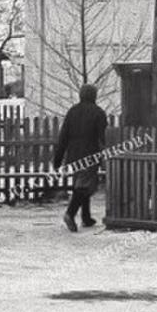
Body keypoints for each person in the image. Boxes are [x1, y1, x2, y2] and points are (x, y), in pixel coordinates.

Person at [52, 84, 107, 232]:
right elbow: (103, 137)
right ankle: (70, 214)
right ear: (94, 95)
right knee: (84, 187)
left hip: (73, 155)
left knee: (81, 185)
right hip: (90, 155)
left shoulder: (72, 112)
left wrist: (58, 159)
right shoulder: (98, 113)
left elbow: (63, 136)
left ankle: (86, 217)